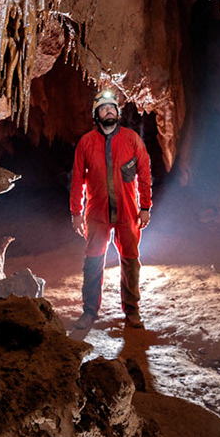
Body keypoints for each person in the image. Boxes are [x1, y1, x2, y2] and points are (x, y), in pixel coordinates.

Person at [69, 86, 152, 330]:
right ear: (96, 114)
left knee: (130, 260)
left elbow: (144, 173)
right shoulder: (86, 142)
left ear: (117, 112)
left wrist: (145, 206)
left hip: (127, 210)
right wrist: (76, 212)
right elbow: (77, 179)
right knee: (93, 261)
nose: (108, 111)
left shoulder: (131, 139)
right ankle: (89, 310)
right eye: (103, 108)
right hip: (97, 212)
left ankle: (132, 309)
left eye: (112, 108)